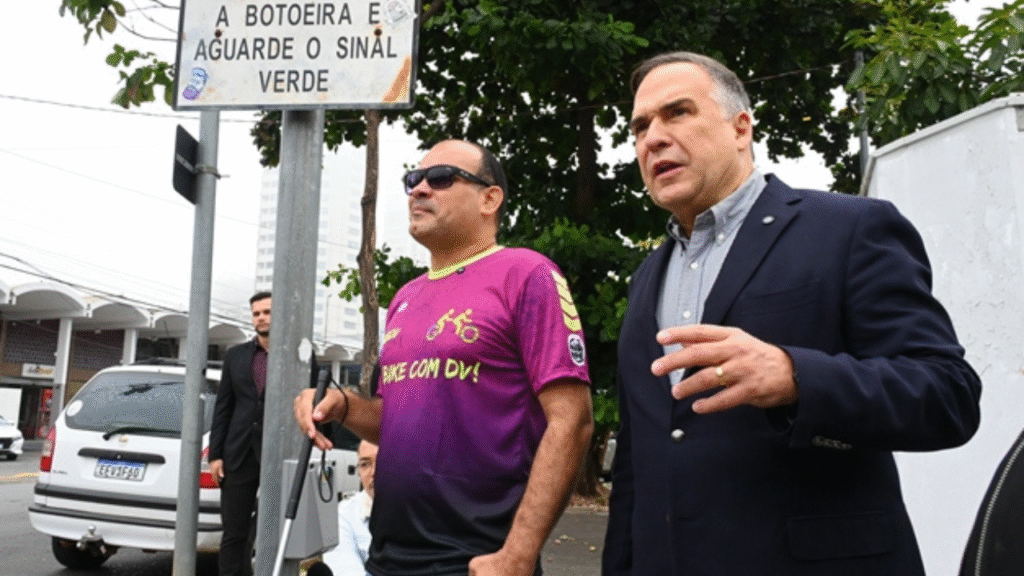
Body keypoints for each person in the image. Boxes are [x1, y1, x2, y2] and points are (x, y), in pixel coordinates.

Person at [602, 51, 983, 576]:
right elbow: (636, 468)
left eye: (677, 113)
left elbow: (948, 395)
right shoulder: (647, 277)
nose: (653, 138)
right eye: (640, 126)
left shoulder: (849, 229)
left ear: (741, 128)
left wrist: (795, 376)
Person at [294, 139, 594, 576]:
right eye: (413, 180)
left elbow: (573, 421)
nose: (419, 190)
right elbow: (390, 423)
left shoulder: (527, 274)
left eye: (440, 178)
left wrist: (518, 554)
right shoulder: (404, 297)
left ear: (490, 198)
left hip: (478, 559)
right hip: (388, 554)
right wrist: (341, 405)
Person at [209, 291, 317, 576]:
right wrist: (216, 454)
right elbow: (223, 407)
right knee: (234, 533)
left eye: (267, 312)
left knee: (276, 529)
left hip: (280, 454)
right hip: (239, 454)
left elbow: (313, 403)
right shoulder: (235, 356)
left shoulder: (299, 356)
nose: (261, 318)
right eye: (256, 313)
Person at [307, 440, 379, 576]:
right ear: (358, 472)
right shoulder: (344, 515)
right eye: (365, 464)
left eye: (383, 461)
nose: (374, 472)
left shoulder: (426, 509)